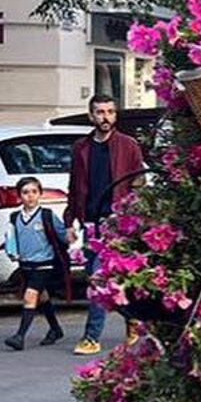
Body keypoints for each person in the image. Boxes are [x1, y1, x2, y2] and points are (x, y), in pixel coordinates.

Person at [66, 94, 146, 358]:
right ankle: (133, 322)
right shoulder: (81, 148)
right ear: (91, 116)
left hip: (118, 223)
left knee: (105, 278)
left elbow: (138, 182)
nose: (105, 117)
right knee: (100, 278)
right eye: (100, 112)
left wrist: (133, 215)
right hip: (91, 223)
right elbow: (74, 187)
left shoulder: (128, 145)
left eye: (110, 112)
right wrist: (70, 221)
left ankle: (92, 337)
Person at [2, 178, 71, 349]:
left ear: (40, 194)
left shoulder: (46, 215)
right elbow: (11, 237)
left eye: (34, 192)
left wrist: (71, 236)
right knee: (42, 297)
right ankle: (55, 329)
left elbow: (62, 236)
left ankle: (20, 336)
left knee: (30, 296)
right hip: (26, 265)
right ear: (19, 196)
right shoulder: (15, 217)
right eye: (25, 192)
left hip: (44, 265)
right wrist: (11, 250)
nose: (30, 196)